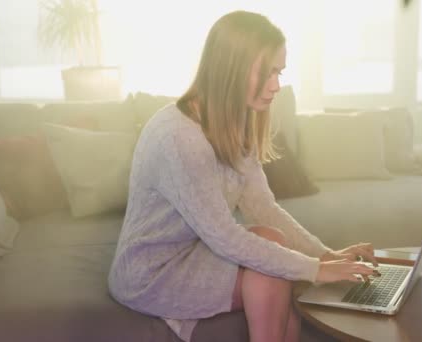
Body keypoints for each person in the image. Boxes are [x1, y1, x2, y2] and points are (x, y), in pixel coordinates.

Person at [108, 10, 378, 342]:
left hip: (195, 249)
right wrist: (316, 271)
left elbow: (263, 208)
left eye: (279, 72)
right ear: (230, 68)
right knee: (272, 272)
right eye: (267, 72)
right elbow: (225, 236)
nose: (277, 85)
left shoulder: (234, 122)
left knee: (271, 240)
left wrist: (324, 255)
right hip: (153, 272)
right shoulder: (179, 138)